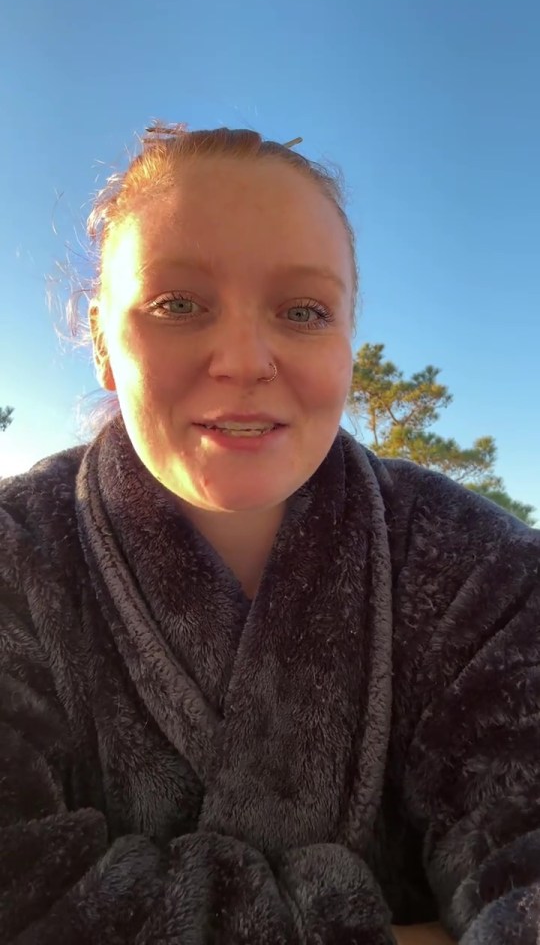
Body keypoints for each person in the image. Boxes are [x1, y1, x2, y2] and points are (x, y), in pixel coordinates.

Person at [0, 122, 538, 945]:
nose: (246, 359)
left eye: (303, 311)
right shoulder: (16, 557)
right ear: (103, 340)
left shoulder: (485, 573)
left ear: (349, 341)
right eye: (178, 305)